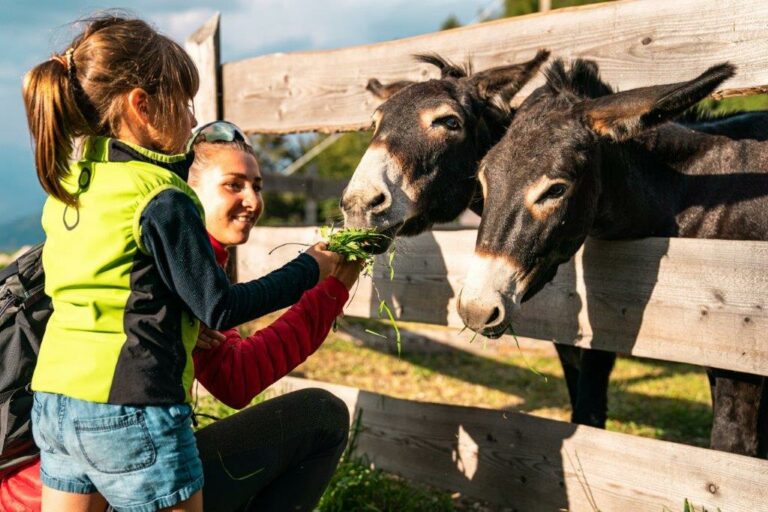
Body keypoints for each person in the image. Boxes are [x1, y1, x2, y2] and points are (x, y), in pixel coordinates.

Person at [19, 14, 356, 512]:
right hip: (132, 405)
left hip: (55, 405)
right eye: (183, 102)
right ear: (142, 106)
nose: (191, 119)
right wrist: (312, 269)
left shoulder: (71, 187)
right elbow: (221, 307)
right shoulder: (163, 197)